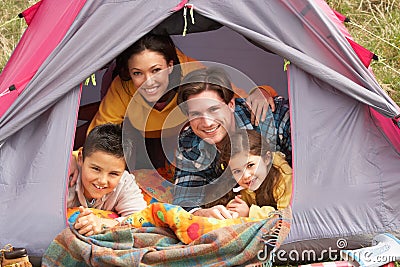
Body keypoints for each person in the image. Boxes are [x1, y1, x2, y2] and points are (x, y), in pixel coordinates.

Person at [68, 33, 277, 181]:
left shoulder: (190, 74)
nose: (149, 81)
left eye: (156, 70)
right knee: (88, 136)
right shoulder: (123, 88)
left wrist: (264, 90)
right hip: (139, 133)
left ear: (170, 66)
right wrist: (75, 158)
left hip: (178, 133)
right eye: (138, 73)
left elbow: (233, 97)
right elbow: (98, 134)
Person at [173, 67, 291, 219]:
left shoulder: (267, 117)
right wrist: (200, 213)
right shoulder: (189, 142)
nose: (207, 122)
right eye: (195, 114)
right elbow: (185, 198)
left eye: (214, 109)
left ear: (231, 104)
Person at [68, 123, 147, 236]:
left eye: (114, 174)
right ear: (80, 158)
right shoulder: (67, 179)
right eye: (96, 169)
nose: (103, 181)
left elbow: (141, 218)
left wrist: (103, 223)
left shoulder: (124, 183)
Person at [204, 129, 292, 219]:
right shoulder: (243, 184)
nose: (245, 176)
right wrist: (234, 207)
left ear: (266, 159)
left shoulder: (284, 179)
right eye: (237, 171)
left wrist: (250, 212)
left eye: (250, 165)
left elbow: (286, 215)